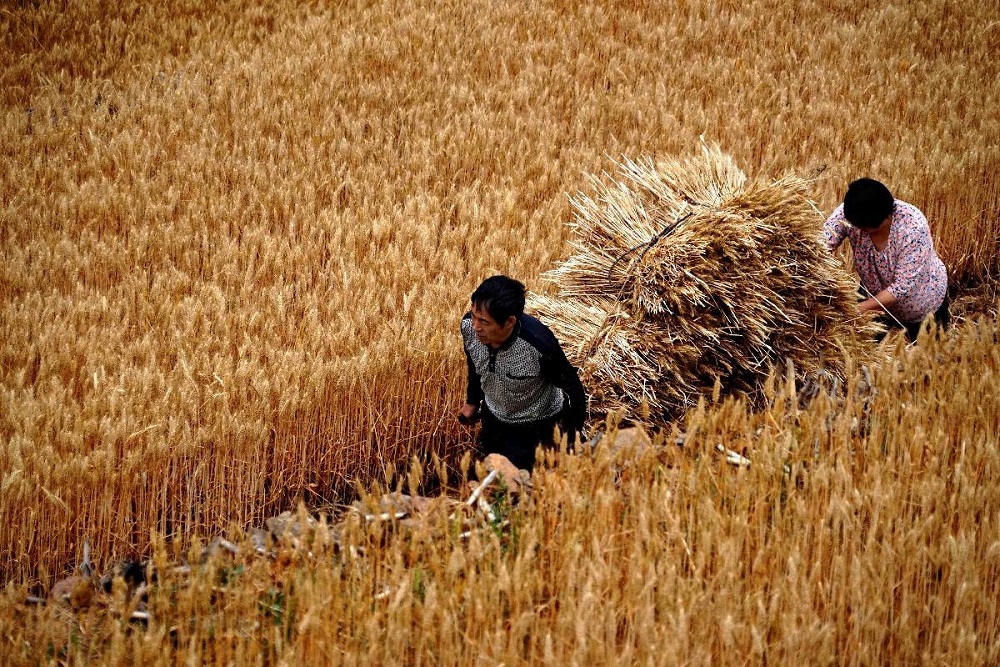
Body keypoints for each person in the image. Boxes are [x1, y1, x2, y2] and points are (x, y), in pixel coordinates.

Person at [459, 275, 588, 471]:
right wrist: (472, 401)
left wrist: (570, 440)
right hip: (493, 418)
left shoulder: (538, 345)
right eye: (474, 315)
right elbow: (476, 364)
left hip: (535, 424)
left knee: (523, 480)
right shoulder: (469, 327)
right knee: (494, 474)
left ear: (510, 322)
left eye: (484, 321)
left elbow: (574, 389)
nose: (476, 326)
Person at [822, 178, 949, 342]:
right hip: (872, 292)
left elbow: (901, 288)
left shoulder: (913, 227)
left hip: (920, 303)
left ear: (888, 216)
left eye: (866, 229)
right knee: (864, 349)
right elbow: (821, 245)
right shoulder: (852, 212)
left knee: (927, 354)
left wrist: (857, 309)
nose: (860, 232)